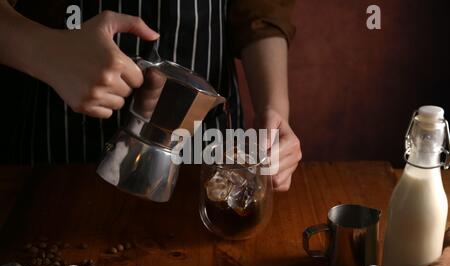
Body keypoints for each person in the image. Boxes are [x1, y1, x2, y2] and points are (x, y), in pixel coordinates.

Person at [0, 0, 301, 192]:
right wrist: (48, 52)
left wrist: (273, 110)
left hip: (201, 158)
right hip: (58, 151)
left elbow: (262, 10)